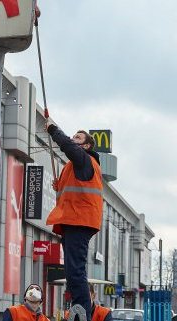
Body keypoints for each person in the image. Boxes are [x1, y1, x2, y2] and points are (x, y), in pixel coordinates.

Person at [45, 120, 104, 321]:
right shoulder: (76, 165)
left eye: (77, 138)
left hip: (80, 220)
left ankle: (83, 314)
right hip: (75, 220)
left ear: (86, 146)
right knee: (72, 272)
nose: (73, 139)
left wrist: (53, 130)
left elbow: (67, 146)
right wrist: (59, 185)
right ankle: (80, 311)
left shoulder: (83, 159)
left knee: (76, 271)